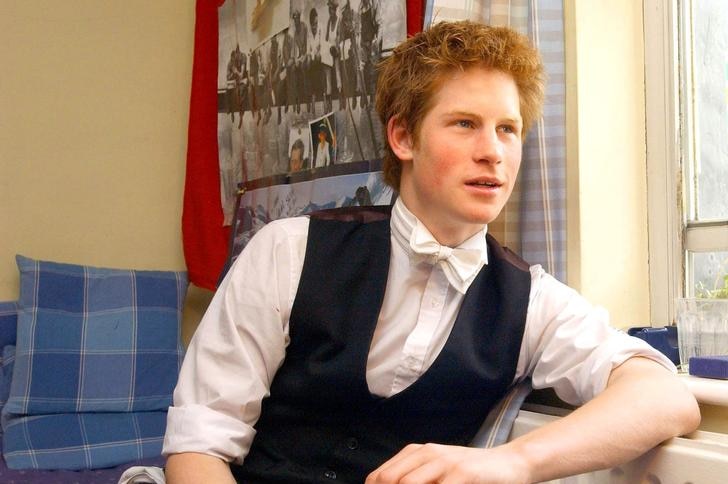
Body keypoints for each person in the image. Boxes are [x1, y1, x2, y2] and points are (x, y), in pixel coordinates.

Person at [163, 21, 700, 484]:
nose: (492, 151)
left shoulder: (530, 299)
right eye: (465, 123)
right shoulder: (287, 251)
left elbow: (666, 399)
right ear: (403, 137)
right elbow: (200, 445)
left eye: (508, 130)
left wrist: (513, 463)